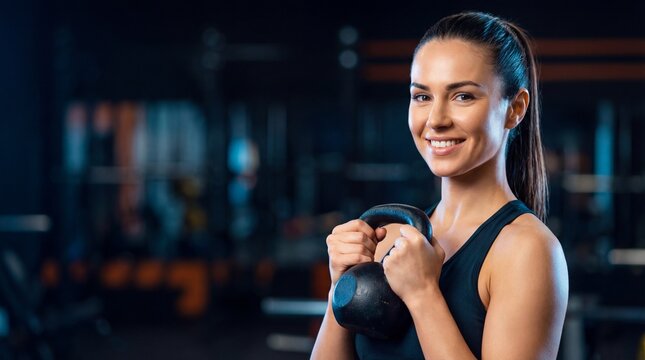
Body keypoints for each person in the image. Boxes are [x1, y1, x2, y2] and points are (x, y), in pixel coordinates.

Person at [311, 11, 568, 360]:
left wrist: (422, 295)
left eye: (462, 96)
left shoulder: (528, 251)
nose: (436, 120)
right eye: (422, 97)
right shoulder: (392, 238)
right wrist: (338, 288)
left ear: (515, 109)